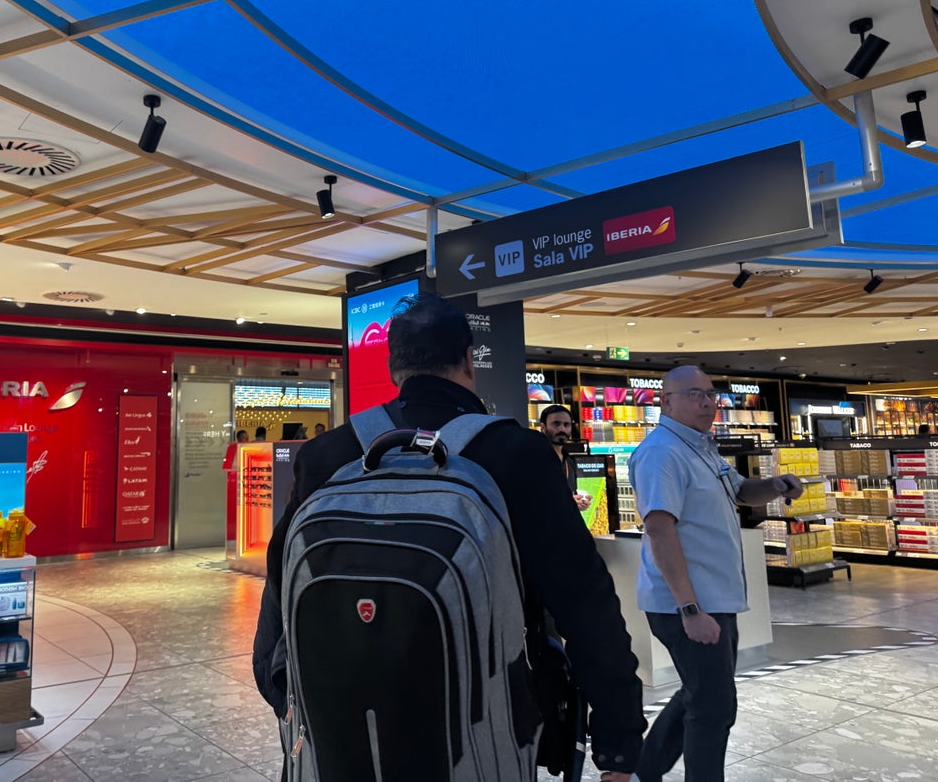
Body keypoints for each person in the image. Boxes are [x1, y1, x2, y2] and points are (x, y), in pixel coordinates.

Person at [253, 292, 645, 780]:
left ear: (395, 367)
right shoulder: (516, 454)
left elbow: (277, 608)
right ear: (467, 361)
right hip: (478, 741)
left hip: (340, 746)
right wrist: (618, 740)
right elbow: (586, 605)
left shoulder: (327, 455)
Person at [630, 365, 804, 782]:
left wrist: (777, 485)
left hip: (714, 601)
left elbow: (741, 490)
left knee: (702, 694)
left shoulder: (702, 448)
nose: (708, 402)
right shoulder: (662, 453)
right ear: (665, 402)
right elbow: (659, 528)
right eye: (694, 394)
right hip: (689, 605)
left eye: (711, 394)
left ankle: (643, 771)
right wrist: (689, 608)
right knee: (713, 708)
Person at [540, 403, 593, 511]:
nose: (562, 429)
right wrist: (567, 502)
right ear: (543, 427)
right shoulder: (533, 460)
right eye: (556, 424)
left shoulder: (569, 461)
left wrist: (579, 501)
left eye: (566, 424)